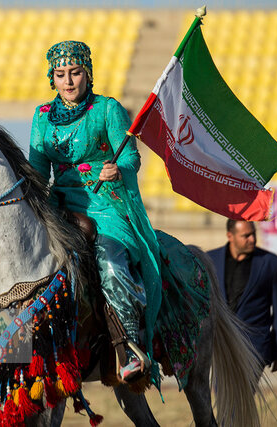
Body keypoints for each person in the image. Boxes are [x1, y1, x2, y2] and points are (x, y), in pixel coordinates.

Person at [29, 40, 173, 383]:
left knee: (110, 263)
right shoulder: (42, 116)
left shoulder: (107, 109)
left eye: (75, 73)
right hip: (59, 205)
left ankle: (130, 348)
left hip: (106, 203)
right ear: (53, 78)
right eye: (60, 74)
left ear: (87, 74)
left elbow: (130, 157)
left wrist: (117, 169)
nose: (68, 81)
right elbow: (37, 171)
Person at [207, 219, 277, 378]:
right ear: (230, 236)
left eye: (253, 234)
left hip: (254, 348)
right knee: (223, 400)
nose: (252, 239)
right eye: (246, 235)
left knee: (242, 400)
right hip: (220, 347)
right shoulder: (210, 259)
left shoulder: (271, 263)